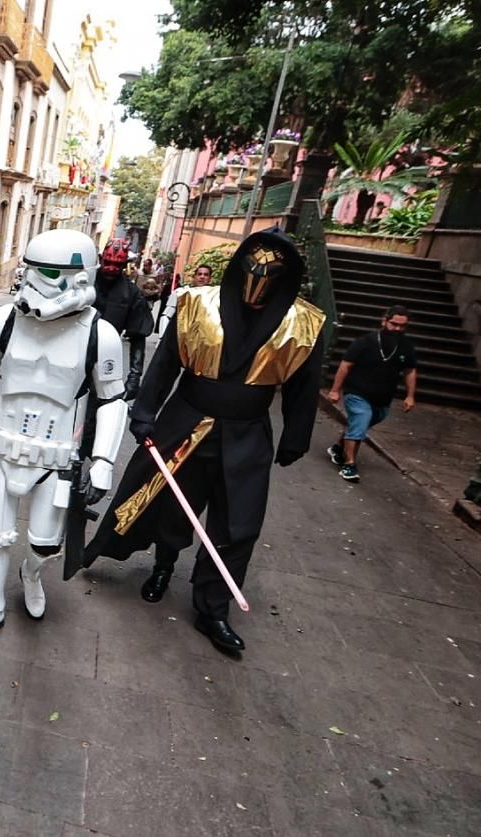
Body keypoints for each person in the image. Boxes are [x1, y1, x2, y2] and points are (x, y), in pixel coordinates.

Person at [79, 229, 325, 656]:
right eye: (251, 270)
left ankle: (213, 605)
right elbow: (167, 360)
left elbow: (306, 385)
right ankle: (163, 566)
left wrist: (295, 436)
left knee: (238, 522)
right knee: (174, 504)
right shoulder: (198, 303)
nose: (257, 282)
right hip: (186, 420)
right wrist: (145, 411)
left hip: (248, 433)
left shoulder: (303, 323)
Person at [0, 229, 127, 644]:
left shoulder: (101, 336)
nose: (33, 282)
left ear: (82, 277)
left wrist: (103, 461)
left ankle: (30, 574)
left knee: (46, 543)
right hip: (3, 444)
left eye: (46, 272)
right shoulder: (4, 320)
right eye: (29, 270)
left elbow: (114, 399)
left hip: (57, 457)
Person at [326, 305, 417, 483]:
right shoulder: (366, 341)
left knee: (360, 425)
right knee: (361, 419)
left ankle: (338, 449)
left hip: (382, 398)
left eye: (402, 326)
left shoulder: (405, 346)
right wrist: (335, 390)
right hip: (357, 392)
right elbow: (345, 366)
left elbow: (410, 371)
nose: (397, 329)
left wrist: (410, 395)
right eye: (393, 324)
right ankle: (349, 465)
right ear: (384, 320)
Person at [96, 239, 156, 400]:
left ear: (124, 265)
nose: (111, 268)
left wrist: (134, 379)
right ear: (101, 259)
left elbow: (138, 337)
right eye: (107, 262)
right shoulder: (83, 284)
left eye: (117, 265)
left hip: (106, 362)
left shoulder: (131, 294)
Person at [155, 263, 214, 344]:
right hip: (181, 338)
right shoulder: (181, 292)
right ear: (194, 277)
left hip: (203, 340)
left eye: (206, 275)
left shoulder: (215, 296)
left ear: (210, 278)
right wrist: (162, 338)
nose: (202, 277)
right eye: (199, 274)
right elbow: (166, 315)